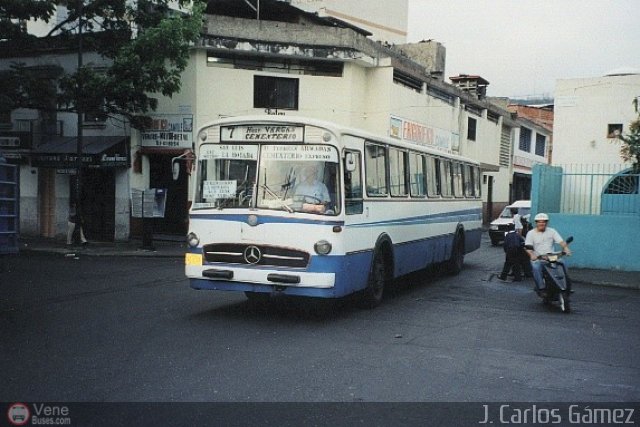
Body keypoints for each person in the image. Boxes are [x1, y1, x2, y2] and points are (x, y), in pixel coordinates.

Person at [524, 213, 571, 294]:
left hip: (551, 256)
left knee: (563, 262)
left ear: (547, 222)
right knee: (536, 266)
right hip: (539, 257)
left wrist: (566, 248)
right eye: (539, 222)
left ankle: (567, 285)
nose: (541, 223)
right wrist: (532, 255)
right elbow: (527, 247)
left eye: (544, 221)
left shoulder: (552, 231)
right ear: (536, 223)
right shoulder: (531, 233)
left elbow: (561, 241)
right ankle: (541, 288)